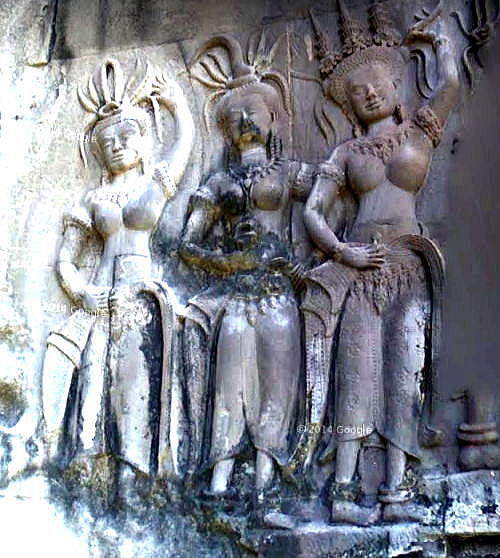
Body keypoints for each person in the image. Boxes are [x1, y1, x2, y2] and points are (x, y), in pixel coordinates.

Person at [303, 1, 459, 523]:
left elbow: (450, 84)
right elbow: (313, 211)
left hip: (410, 266)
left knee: (403, 374)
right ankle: (344, 493)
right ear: (348, 104)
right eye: (357, 91)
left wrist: (439, 41)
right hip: (361, 268)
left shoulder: (420, 131)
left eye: (376, 83)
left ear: (395, 84)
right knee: (356, 374)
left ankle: (397, 491)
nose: (369, 93)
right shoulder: (347, 153)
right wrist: (340, 250)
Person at [41, 58, 194, 488]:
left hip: (141, 298)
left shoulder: (153, 185)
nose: (117, 145)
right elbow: (65, 261)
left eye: (127, 135)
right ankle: (86, 475)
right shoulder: (93, 198)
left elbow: (182, 147)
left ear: (144, 142)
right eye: (107, 141)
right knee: (93, 384)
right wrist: (84, 294)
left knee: (134, 388)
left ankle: (132, 482)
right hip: (100, 301)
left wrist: (176, 106)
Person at [181, 34, 314, 498]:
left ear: (273, 116)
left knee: (276, 383)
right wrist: (225, 261)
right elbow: (187, 245)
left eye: (254, 111)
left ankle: (265, 478)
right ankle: (219, 477)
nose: (245, 121)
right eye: (236, 116)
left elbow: (327, 206)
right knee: (230, 383)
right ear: (224, 129)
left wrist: (301, 260)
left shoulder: (290, 173)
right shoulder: (220, 182)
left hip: (278, 290)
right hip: (237, 293)